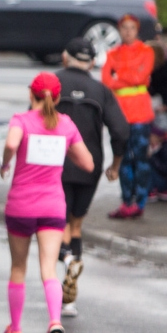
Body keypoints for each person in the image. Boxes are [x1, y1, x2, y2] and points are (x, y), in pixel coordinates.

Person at [0, 74, 96, 333]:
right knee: (48, 271)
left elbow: (12, 143)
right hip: (53, 207)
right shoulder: (66, 125)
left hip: (21, 205)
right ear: (57, 97)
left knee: (18, 268)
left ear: (32, 94)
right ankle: (55, 322)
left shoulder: (22, 120)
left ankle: (15, 331)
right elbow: (88, 164)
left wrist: (5, 162)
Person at [55, 38, 128, 318]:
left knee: (58, 221)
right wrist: (115, 164)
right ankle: (70, 298)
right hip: (90, 164)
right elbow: (121, 130)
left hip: (56, 162)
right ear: (93, 63)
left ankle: (67, 261)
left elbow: (33, 119)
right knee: (76, 224)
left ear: (65, 57)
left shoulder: (51, 84)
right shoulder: (101, 90)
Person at [100, 15, 156, 218]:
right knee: (122, 158)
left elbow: (141, 76)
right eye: (124, 28)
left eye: (132, 27)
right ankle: (126, 201)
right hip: (120, 114)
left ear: (137, 29)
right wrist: (130, 76)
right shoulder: (112, 53)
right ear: (119, 30)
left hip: (140, 113)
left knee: (140, 159)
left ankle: (139, 203)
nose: (128, 31)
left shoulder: (146, 51)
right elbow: (106, 81)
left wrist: (119, 75)